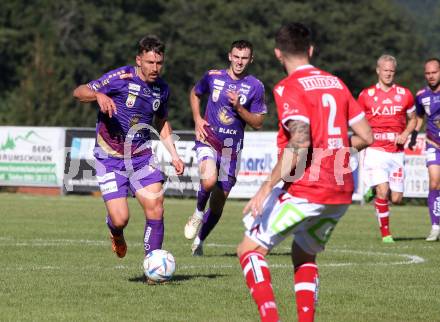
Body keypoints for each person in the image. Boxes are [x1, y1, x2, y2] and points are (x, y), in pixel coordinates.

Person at [236, 22, 373, 322]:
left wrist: (264, 189)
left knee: (249, 250)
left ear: (277, 53)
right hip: (340, 191)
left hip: (307, 188)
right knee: (303, 254)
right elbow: (367, 136)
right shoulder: (337, 83)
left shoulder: (288, 87)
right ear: (310, 50)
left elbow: (299, 143)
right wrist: (335, 148)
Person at [73, 35, 184, 278]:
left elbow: (162, 121)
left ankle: (152, 269)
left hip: (141, 156)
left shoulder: (162, 89)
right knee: (120, 218)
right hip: (109, 157)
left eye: (159, 63)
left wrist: (173, 154)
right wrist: (98, 95)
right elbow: (79, 92)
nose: (155, 68)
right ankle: (115, 232)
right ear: (138, 60)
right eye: (150, 62)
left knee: (155, 206)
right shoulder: (120, 77)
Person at [183, 40, 267, 255]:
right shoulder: (213, 76)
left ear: (251, 59)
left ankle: (199, 241)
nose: (239, 62)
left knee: (219, 204)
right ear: (230, 56)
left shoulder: (255, 86)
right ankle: (198, 213)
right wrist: (197, 119)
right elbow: (195, 93)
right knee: (209, 180)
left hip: (231, 150)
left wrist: (239, 107)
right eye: (236, 57)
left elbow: (258, 123)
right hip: (208, 140)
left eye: (244, 58)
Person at [358, 54, 416, 243]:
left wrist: (406, 133)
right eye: (385, 70)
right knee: (384, 191)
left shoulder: (404, 94)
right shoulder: (366, 95)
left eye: (392, 71)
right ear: (378, 71)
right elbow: (358, 120)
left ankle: (373, 191)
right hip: (375, 150)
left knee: (397, 198)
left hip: (396, 152)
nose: (389, 74)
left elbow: (413, 119)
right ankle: (386, 234)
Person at [410, 58, 440, 241]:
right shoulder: (421, 95)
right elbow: (419, 117)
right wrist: (414, 136)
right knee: (434, 182)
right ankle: (435, 226)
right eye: (427, 73)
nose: (431, 76)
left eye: (434, 72)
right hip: (433, 144)